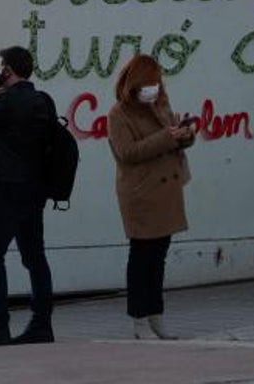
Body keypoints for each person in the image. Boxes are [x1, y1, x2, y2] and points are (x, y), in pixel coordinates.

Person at [0, 46, 58, 347]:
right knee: (34, 256)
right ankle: (41, 324)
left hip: (7, 188)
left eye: (0, 66)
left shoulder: (3, 102)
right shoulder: (43, 101)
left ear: (8, 71)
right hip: (35, 189)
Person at [106, 54, 195, 340]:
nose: (154, 88)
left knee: (159, 257)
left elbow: (171, 138)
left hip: (166, 191)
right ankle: (139, 319)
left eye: (157, 82)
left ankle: (156, 316)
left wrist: (185, 134)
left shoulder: (161, 105)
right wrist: (167, 137)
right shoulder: (118, 114)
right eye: (148, 83)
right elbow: (127, 153)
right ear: (134, 83)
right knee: (142, 256)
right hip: (141, 194)